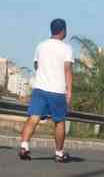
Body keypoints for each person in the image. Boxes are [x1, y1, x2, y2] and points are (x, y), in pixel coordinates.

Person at [18, 19, 73, 163]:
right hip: (57, 90)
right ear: (63, 31)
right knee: (59, 122)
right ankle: (59, 153)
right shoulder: (66, 48)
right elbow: (67, 70)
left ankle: (24, 146)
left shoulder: (41, 46)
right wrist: (69, 92)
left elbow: (36, 65)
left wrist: (44, 74)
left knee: (34, 117)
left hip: (40, 88)